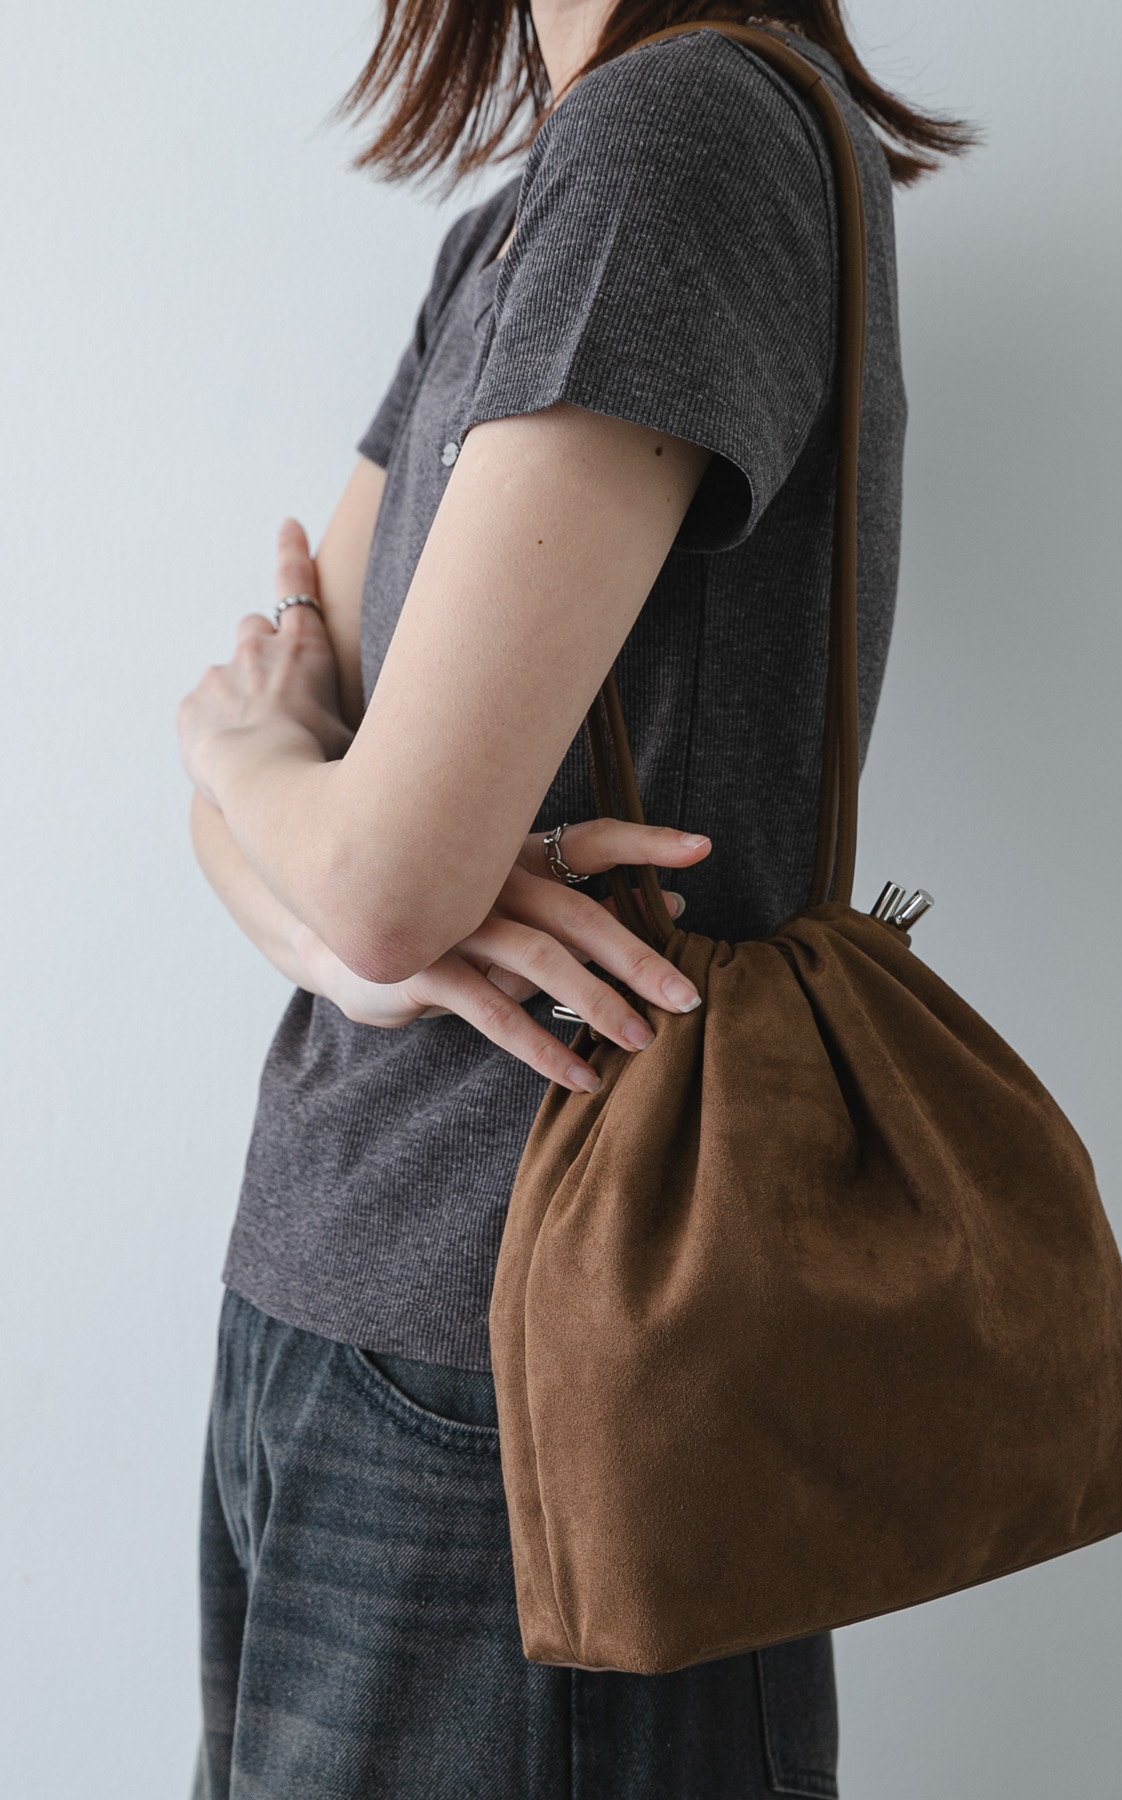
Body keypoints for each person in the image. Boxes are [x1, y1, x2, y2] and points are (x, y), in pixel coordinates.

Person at [177, 2, 970, 1794]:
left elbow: (357, 849)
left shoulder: (683, 139)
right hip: (339, 1310)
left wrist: (251, 769)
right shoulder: (522, 214)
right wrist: (350, 926)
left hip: (524, 1360)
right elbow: (322, 839)